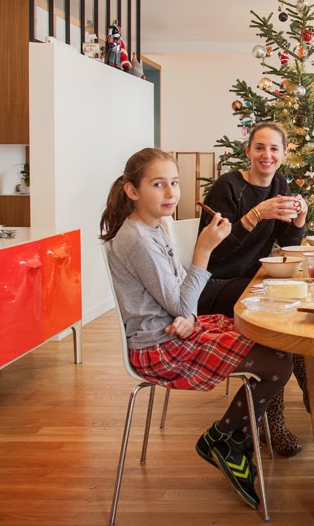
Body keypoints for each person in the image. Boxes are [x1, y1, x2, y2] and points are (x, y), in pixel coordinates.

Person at [100, 148, 293, 511]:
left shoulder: (155, 227)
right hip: (158, 348)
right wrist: (202, 251)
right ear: (132, 191)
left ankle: (228, 439)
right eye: (158, 184)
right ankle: (226, 439)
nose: (170, 192)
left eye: (174, 183)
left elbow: (180, 297)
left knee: (272, 345)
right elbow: (182, 300)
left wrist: (187, 314)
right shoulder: (137, 240)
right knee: (278, 362)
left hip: (176, 329)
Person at [198, 121, 314, 457]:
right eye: (259, 147)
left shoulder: (280, 185)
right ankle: (284, 415)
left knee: (294, 308)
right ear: (248, 151)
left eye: (273, 149)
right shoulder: (228, 187)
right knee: (280, 317)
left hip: (253, 280)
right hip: (214, 284)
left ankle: (308, 398)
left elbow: (287, 243)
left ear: (283, 154)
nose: (266, 155)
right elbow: (214, 253)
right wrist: (255, 215)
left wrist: (299, 219)